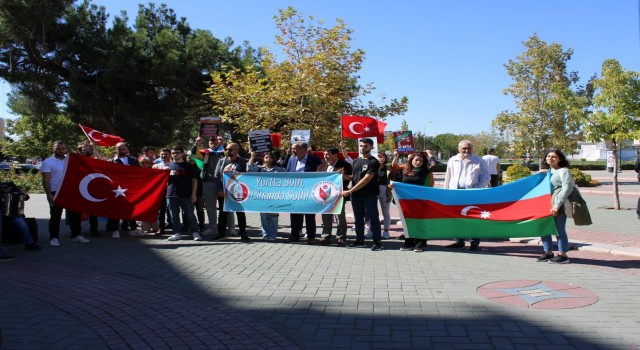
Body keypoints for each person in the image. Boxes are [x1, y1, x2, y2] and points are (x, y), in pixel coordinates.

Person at [443, 140, 490, 251]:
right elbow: (448, 177)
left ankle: (474, 242)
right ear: (459, 149)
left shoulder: (479, 161)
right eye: (464, 148)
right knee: (457, 217)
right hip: (456, 193)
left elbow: (486, 177)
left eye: (469, 148)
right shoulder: (452, 160)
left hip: (472, 194)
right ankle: (459, 241)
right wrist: (446, 192)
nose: (466, 150)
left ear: (472, 149)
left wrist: (477, 188)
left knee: (474, 218)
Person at [41, 141, 89, 246]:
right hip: (55, 191)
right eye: (58, 148)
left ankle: (76, 235)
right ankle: (54, 238)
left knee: (75, 214)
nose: (61, 150)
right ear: (53, 148)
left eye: (63, 148)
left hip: (71, 191)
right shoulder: (48, 162)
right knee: (55, 215)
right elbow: (46, 180)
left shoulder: (71, 160)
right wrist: (49, 195)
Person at [341, 138, 383, 251]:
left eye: (365, 146)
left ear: (371, 147)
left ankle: (377, 242)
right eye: (361, 146)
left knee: (373, 218)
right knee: (358, 219)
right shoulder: (356, 161)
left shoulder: (374, 162)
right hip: (356, 196)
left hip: (370, 195)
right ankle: (359, 241)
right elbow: (354, 177)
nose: (362, 148)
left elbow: (366, 179)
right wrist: (343, 176)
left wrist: (350, 191)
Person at [391, 151, 434, 252]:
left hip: (421, 201)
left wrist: (430, 154)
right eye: (416, 160)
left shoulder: (425, 172)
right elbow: (397, 183)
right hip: (407, 203)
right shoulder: (403, 171)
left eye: (421, 161)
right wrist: (392, 187)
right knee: (408, 223)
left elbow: (434, 165)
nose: (418, 162)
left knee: (420, 223)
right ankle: (409, 244)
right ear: (411, 160)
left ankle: (420, 244)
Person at [537, 150, 574, 264]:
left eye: (554, 157)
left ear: (560, 159)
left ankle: (563, 255)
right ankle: (548, 252)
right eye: (548, 156)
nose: (550, 158)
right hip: (545, 205)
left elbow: (566, 189)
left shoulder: (564, 171)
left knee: (559, 230)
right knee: (544, 229)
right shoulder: (547, 172)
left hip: (558, 205)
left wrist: (557, 205)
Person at [286, 142, 322, 244]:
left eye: (295, 149)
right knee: (295, 214)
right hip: (295, 192)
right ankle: (294, 235)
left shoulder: (314, 160)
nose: (293, 151)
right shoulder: (292, 159)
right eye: (293, 149)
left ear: (303, 150)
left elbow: (320, 174)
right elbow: (288, 172)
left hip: (309, 191)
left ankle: (311, 236)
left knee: (309, 215)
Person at [214, 142, 251, 242]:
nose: (227, 151)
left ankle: (243, 233)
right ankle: (221, 233)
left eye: (230, 149)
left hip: (238, 191)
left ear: (237, 150)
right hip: (224, 192)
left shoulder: (243, 161)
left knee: (240, 213)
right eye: (226, 149)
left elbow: (248, 175)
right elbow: (216, 176)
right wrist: (219, 190)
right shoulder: (222, 161)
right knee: (222, 213)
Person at [106, 142, 144, 238]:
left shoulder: (133, 161)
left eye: (123, 149)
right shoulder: (111, 161)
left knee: (131, 208)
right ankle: (115, 230)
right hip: (116, 189)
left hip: (130, 189)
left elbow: (139, 174)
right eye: (119, 149)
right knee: (116, 209)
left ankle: (133, 228)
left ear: (127, 150)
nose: (121, 151)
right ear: (116, 150)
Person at [317, 147, 352, 246]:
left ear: (335, 155)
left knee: (340, 217)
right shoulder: (321, 166)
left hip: (339, 195)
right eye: (324, 154)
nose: (325, 156)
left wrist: (343, 176)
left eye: (327, 154)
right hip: (324, 195)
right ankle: (326, 236)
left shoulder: (345, 165)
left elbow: (351, 177)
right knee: (326, 216)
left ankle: (341, 237)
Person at [165, 146, 201, 241]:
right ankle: (177, 233)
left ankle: (195, 232)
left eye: (177, 152)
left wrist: (193, 194)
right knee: (174, 216)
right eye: (173, 153)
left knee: (190, 214)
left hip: (186, 195)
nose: (175, 154)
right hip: (171, 195)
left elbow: (194, 180)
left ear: (182, 153)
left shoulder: (188, 166)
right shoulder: (167, 166)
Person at [249, 151, 285, 241]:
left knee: (273, 217)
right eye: (266, 157)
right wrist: (252, 157)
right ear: (263, 159)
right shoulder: (260, 169)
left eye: (270, 157)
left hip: (275, 197)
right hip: (263, 197)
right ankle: (265, 234)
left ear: (273, 159)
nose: (268, 159)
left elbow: (285, 178)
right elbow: (249, 171)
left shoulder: (278, 170)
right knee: (264, 217)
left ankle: (273, 235)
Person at [191, 136, 222, 236]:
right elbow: (192, 154)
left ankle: (230, 228)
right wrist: (197, 143)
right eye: (211, 143)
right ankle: (213, 228)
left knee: (226, 206)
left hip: (223, 182)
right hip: (208, 182)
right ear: (209, 143)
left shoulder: (224, 151)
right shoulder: (205, 152)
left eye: (215, 142)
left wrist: (223, 143)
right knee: (210, 207)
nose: (213, 144)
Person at [1, 181, 40, 251]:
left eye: (7, 188)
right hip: (2, 215)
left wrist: (24, 195)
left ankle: (29, 243)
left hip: (14, 215)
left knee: (23, 225)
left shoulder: (15, 190)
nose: (6, 189)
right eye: (4, 188)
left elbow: (26, 197)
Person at [153, 148, 173, 235]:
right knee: (161, 210)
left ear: (170, 155)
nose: (163, 156)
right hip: (160, 191)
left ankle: (174, 226)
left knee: (172, 209)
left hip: (171, 190)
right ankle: (161, 228)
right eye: (162, 154)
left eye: (166, 154)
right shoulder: (156, 166)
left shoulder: (173, 165)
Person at [139, 157, 160, 234]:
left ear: (150, 164)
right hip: (142, 194)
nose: (144, 164)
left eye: (146, 162)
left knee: (153, 211)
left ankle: (155, 227)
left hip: (153, 194)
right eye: (142, 162)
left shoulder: (155, 172)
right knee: (143, 211)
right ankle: (145, 227)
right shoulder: (138, 172)